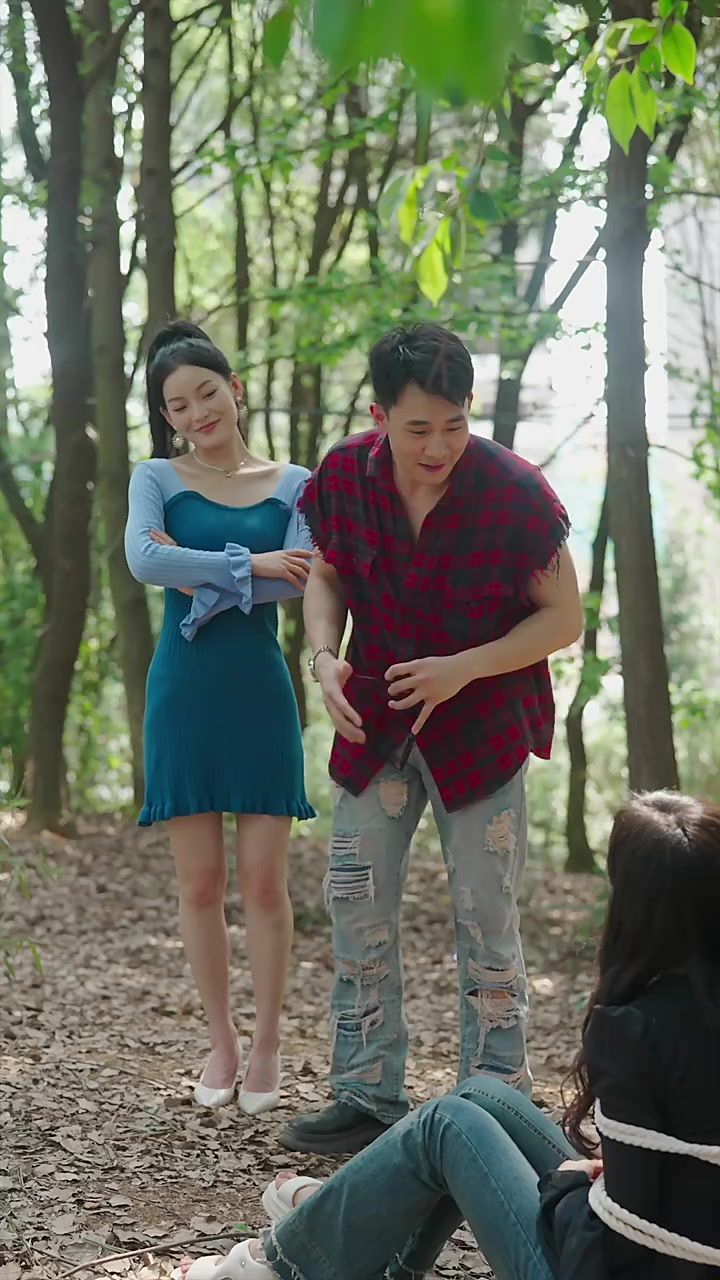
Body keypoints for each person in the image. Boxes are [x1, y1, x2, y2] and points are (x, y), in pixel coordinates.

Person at [178, 789, 720, 1280]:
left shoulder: (632, 1029)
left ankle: (284, 1264)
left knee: (445, 1125)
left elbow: (624, 1240)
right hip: (673, 1236)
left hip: (616, 1263)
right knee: (482, 1095)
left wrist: (571, 1186)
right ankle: (375, 1238)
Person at [279, 323, 583, 1155]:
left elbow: (563, 618)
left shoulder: (517, 493)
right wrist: (323, 659)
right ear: (379, 416)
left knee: (487, 918)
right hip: (373, 722)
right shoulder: (344, 475)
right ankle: (363, 1093)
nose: (439, 446)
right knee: (355, 903)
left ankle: (496, 1103)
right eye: (418, 428)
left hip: (480, 734)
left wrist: (464, 668)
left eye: (455, 424)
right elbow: (327, 575)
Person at [125, 320, 315, 1116]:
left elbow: (299, 578)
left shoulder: (296, 483)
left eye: (207, 392)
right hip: (183, 693)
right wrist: (247, 563)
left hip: (259, 694)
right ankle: (222, 1040)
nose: (197, 412)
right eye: (178, 405)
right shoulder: (155, 477)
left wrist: (200, 573)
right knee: (199, 884)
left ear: (234, 389)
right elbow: (144, 559)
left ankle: (268, 1040)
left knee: (265, 883)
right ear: (166, 417)